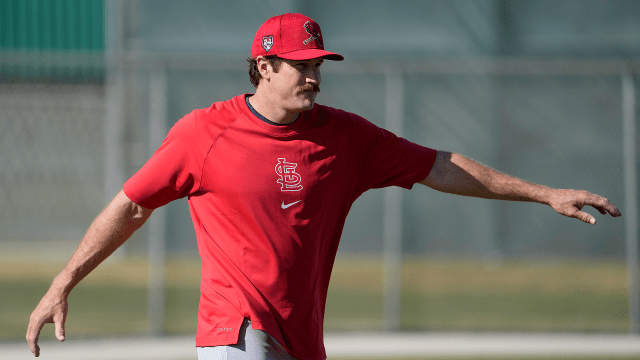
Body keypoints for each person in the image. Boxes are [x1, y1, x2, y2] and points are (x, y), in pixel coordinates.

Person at [26, 13, 621, 360]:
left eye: (318, 65)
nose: (314, 75)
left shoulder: (345, 138)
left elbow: (441, 166)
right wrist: (63, 280)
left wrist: (543, 193)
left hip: (302, 339)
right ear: (265, 67)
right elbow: (131, 205)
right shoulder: (203, 134)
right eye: (301, 65)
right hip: (235, 334)